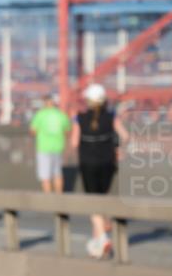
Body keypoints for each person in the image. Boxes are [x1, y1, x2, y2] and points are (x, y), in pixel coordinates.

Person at [72, 84, 127, 259]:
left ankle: (102, 238)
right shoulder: (112, 117)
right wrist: (117, 148)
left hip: (88, 163)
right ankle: (98, 242)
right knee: (101, 198)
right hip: (108, 163)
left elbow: (74, 142)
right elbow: (125, 136)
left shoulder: (79, 118)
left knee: (92, 201)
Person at [29, 94, 70, 193]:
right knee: (57, 174)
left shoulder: (40, 114)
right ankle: (59, 199)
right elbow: (67, 130)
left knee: (45, 176)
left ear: (45, 103)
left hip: (44, 148)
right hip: (58, 147)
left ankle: (48, 201)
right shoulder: (61, 114)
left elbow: (33, 131)